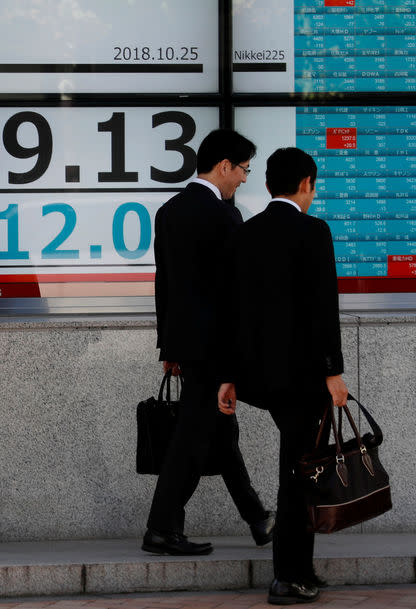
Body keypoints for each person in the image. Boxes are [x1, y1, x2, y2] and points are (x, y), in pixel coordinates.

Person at [217, 147, 348, 605]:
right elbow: (322, 310)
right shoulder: (314, 232)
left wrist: (228, 376)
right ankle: (286, 577)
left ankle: (300, 568)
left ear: (269, 184)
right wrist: (333, 372)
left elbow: (232, 315)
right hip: (304, 378)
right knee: (298, 472)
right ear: (306, 183)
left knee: (300, 468)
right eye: (314, 186)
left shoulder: (244, 234)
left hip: (260, 379)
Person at [143, 129, 275, 556]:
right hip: (215, 350)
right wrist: (237, 360)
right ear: (224, 166)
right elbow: (232, 296)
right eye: (243, 170)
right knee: (192, 440)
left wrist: (169, 349)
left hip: (186, 346)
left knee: (220, 432)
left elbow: (164, 285)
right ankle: (161, 528)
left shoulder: (168, 212)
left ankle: (258, 518)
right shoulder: (224, 217)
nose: (243, 179)